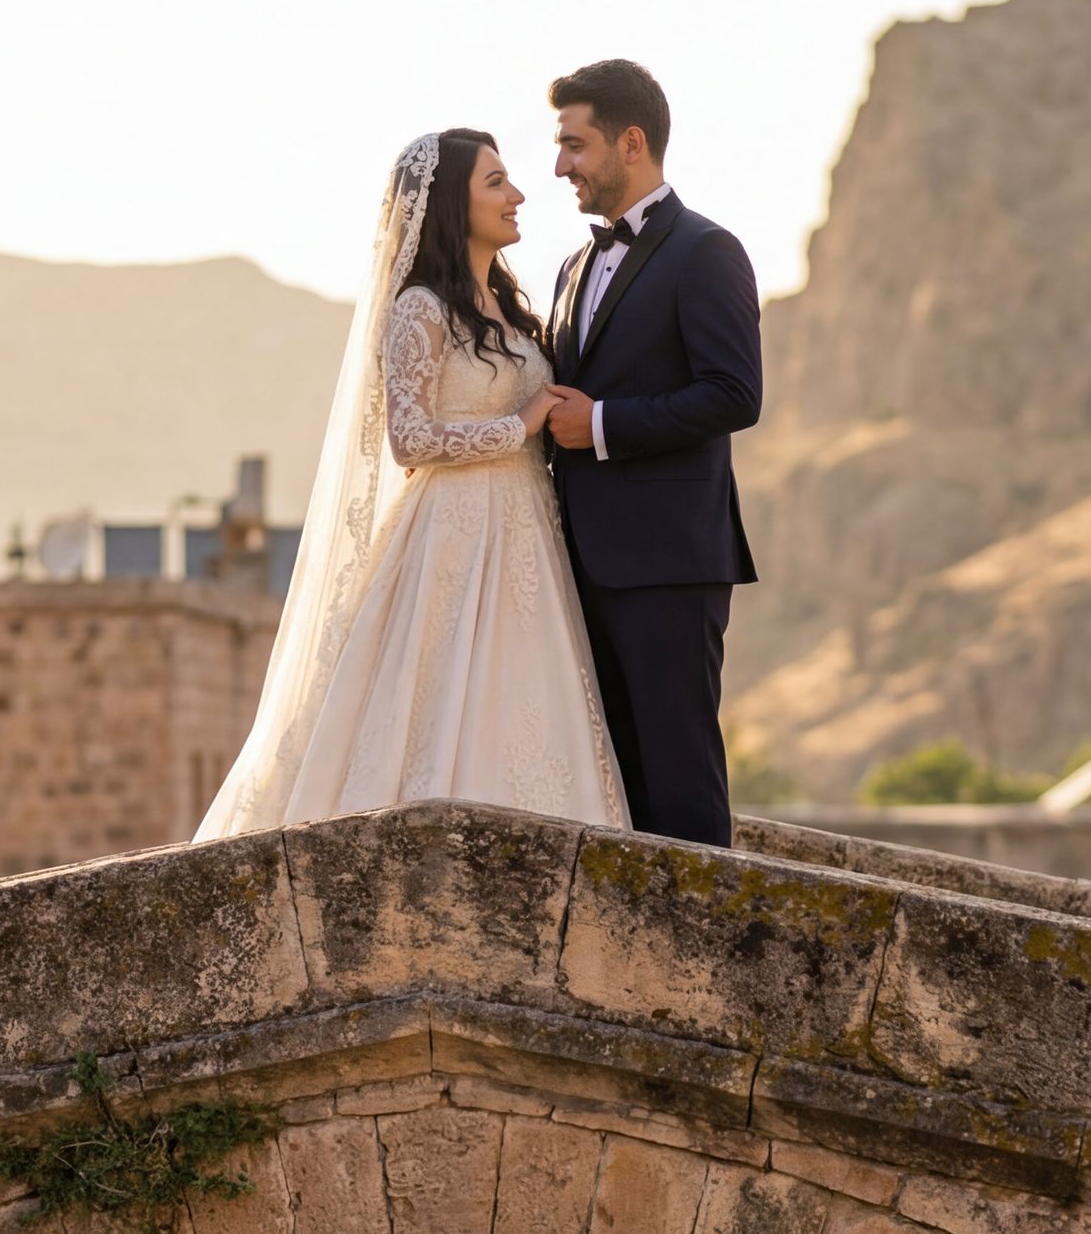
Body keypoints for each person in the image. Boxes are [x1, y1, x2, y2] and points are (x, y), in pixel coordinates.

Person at [194, 130, 627, 839]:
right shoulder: (420, 308)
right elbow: (411, 439)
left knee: (524, 700)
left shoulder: (510, 309)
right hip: (452, 536)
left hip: (527, 539)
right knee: (437, 703)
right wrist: (518, 425)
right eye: (496, 182)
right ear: (453, 204)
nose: (518, 195)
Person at [539, 59, 762, 847]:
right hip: (578, 567)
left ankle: (702, 929)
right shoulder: (572, 268)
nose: (560, 165)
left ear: (631, 143)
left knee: (679, 784)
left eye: (575, 144)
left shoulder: (707, 250)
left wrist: (601, 425)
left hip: (669, 563)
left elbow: (734, 394)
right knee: (613, 788)